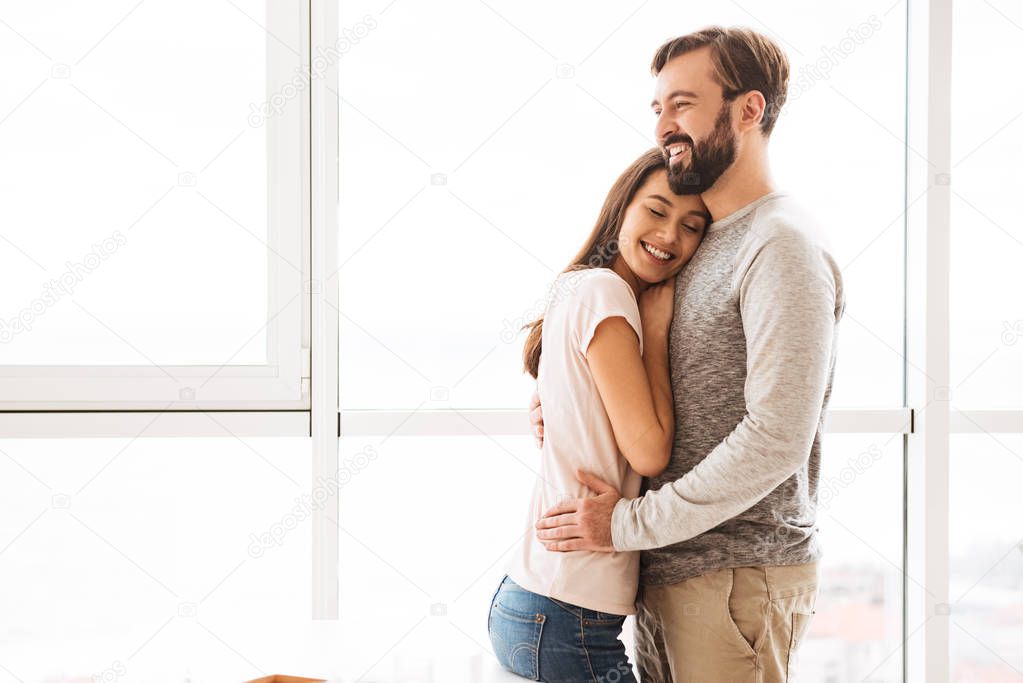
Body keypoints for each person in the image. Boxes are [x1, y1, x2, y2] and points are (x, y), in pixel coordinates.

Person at [531, 27, 846, 682]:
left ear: (748, 109)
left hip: (734, 576)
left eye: (681, 104)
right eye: (656, 109)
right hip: (668, 569)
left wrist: (627, 522)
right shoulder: (703, 238)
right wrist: (561, 400)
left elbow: (775, 437)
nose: (662, 126)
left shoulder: (779, 243)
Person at [488, 148, 710, 683]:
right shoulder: (609, 294)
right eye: (656, 211)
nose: (671, 236)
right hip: (567, 615)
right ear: (622, 209)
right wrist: (656, 333)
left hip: (533, 601)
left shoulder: (576, 284)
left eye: (692, 226)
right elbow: (650, 451)